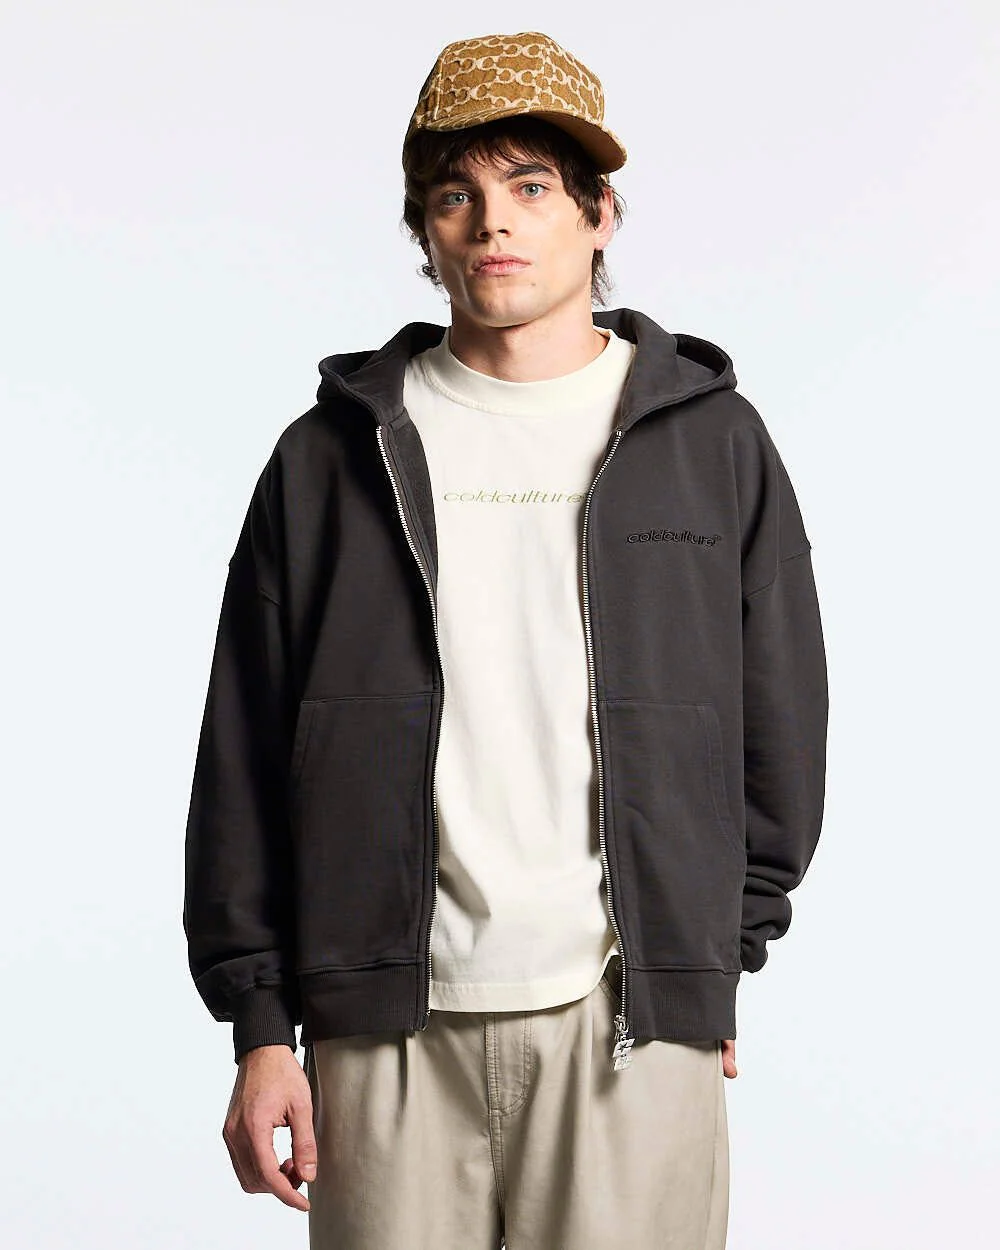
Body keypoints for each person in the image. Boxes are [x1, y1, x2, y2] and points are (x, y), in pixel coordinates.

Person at [183, 29, 829, 1250]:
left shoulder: (712, 442)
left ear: (598, 213)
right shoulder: (328, 458)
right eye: (455, 196)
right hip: (380, 1023)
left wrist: (706, 957)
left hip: (628, 1017)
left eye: (531, 186)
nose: (493, 222)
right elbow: (244, 753)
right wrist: (262, 1023)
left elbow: (780, 721)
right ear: (424, 233)